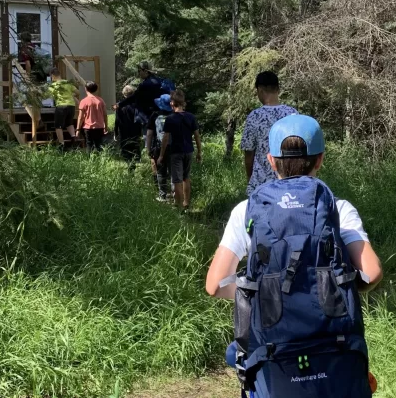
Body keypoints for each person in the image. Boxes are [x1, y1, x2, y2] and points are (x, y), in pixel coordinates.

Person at [205, 115, 383, 398]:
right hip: (334, 345)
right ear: (320, 159)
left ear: (271, 160)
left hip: (275, 352)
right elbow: (371, 273)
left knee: (236, 355)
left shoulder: (247, 211)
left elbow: (214, 286)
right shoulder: (339, 209)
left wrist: (259, 292)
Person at [241, 71, 298, 195]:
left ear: (260, 90)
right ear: (277, 89)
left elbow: (249, 154)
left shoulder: (254, 116)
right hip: (289, 182)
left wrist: (250, 178)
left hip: (261, 184)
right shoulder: (292, 114)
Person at [158, 91, 201, 211]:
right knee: (186, 178)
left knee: (176, 180)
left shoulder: (170, 119)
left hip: (176, 152)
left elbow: (165, 138)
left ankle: (179, 206)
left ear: (172, 103)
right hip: (189, 151)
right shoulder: (191, 117)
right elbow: (197, 135)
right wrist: (199, 152)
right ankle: (186, 203)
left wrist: (161, 155)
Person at [115, 60, 163, 130]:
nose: (138, 73)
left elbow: (134, 97)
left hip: (147, 117)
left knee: (148, 137)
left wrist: (119, 104)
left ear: (146, 71)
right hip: (158, 114)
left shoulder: (145, 84)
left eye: (139, 71)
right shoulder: (159, 81)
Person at [146, 94, 173, 202]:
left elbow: (149, 134)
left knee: (161, 171)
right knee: (173, 171)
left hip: (158, 147)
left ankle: (162, 195)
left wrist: (148, 149)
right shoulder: (174, 114)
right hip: (174, 147)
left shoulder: (155, 115)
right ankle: (174, 194)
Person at [47, 68, 79, 150]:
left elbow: (47, 95)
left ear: (53, 76)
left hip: (61, 106)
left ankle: (61, 144)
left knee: (58, 126)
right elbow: (77, 92)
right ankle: (74, 138)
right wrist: (70, 94)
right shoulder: (67, 82)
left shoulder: (54, 85)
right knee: (69, 123)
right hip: (71, 105)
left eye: (51, 76)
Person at [113, 85, 142, 169]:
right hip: (135, 130)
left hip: (124, 130)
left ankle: (129, 164)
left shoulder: (119, 105)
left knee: (125, 148)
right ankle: (134, 164)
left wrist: (115, 132)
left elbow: (117, 120)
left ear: (124, 94)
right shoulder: (136, 104)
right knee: (135, 147)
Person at [76, 81, 107, 154]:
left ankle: (89, 161)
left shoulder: (84, 101)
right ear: (96, 89)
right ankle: (100, 161)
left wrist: (78, 129)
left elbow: (80, 117)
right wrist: (106, 126)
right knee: (99, 145)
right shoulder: (100, 100)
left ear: (85, 89)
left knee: (89, 144)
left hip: (88, 127)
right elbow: (105, 115)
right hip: (99, 127)